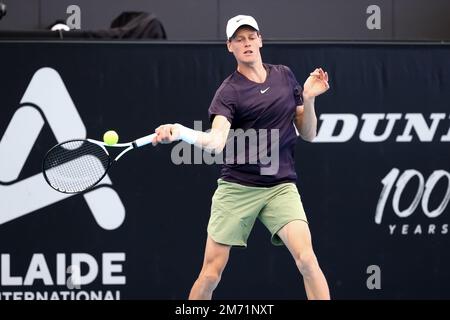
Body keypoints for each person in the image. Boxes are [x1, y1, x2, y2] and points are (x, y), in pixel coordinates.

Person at [152, 14, 330, 300]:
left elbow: (308, 133)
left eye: (251, 37)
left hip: (279, 187)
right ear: (229, 46)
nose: (246, 43)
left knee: (307, 260)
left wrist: (308, 99)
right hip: (237, 187)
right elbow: (215, 142)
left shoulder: (285, 76)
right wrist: (181, 132)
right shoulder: (228, 92)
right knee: (210, 274)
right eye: (239, 39)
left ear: (260, 40)